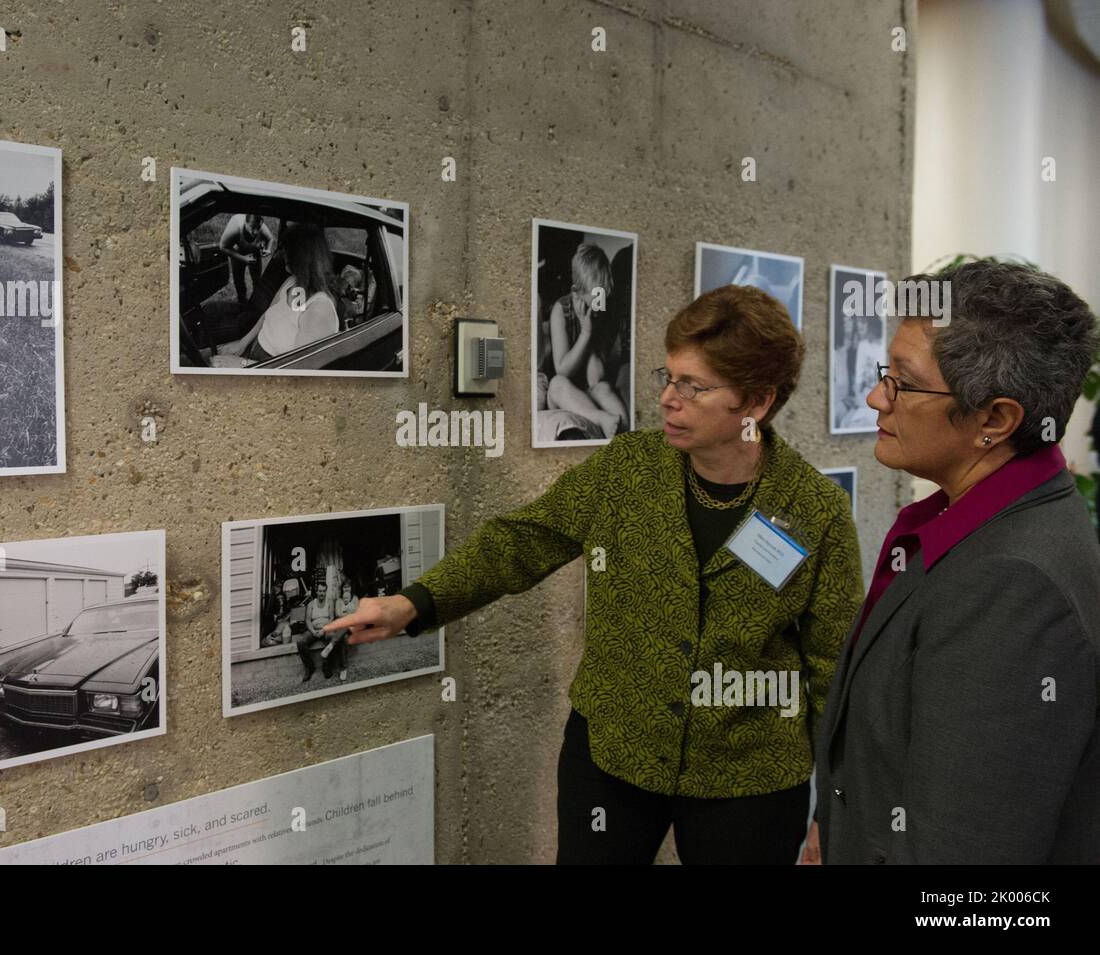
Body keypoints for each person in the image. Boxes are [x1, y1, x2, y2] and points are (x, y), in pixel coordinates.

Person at [328, 285, 864, 864]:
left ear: (756, 403)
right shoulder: (626, 469)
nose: (667, 398)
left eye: (694, 386)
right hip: (613, 757)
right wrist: (414, 604)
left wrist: (834, 812)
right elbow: (521, 542)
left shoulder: (816, 511)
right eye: (669, 375)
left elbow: (835, 671)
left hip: (749, 778)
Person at [810, 260, 1100, 865]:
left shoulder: (1013, 585)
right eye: (885, 372)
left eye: (903, 383)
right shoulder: (969, 525)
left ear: (994, 420)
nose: (874, 397)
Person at [542, 244, 629, 439]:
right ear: (576, 293)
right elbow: (563, 370)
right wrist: (585, 333)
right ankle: (599, 418)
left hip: (589, 391)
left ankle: (621, 433)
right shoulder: (561, 310)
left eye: (603, 297)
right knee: (557, 383)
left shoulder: (600, 312)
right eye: (595, 299)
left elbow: (594, 379)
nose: (599, 307)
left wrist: (593, 328)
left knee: (604, 388)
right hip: (566, 396)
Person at [224, 223, 339, 363]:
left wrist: (243, 365)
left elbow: (297, 368)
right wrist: (242, 343)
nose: (282, 256)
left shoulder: (319, 309)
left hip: (267, 368)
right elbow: (269, 313)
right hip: (253, 351)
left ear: (304, 260)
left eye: (288, 253)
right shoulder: (293, 281)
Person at [218, 213, 272, 303]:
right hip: (237, 250)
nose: (255, 232)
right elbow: (222, 247)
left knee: (257, 279)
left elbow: (270, 238)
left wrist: (268, 249)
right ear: (245, 223)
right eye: (252, 228)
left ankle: (256, 301)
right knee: (239, 280)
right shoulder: (235, 228)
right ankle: (242, 301)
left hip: (254, 251)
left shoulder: (261, 226)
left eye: (258, 228)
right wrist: (243, 258)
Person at [296, 576, 333, 683]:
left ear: (326, 592)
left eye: (323, 591)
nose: (321, 593)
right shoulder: (311, 604)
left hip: (325, 629)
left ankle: (327, 666)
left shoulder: (329, 602)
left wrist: (324, 630)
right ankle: (309, 668)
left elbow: (331, 618)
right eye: (319, 591)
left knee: (332, 638)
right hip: (313, 630)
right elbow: (307, 620)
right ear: (316, 591)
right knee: (300, 642)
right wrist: (313, 631)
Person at [321, 579, 358, 682]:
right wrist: (349, 615)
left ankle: (331, 644)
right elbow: (337, 614)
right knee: (343, 638)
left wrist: (347, 616)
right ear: (342, 589)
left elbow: (357, 614)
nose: (346, 589)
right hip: (342, 627)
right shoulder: (338, 600)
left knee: (346, 624)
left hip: (352, 626)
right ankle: (343, 669)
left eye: (348, 587)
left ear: (351, 588)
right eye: (344, 587)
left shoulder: (355, 599)